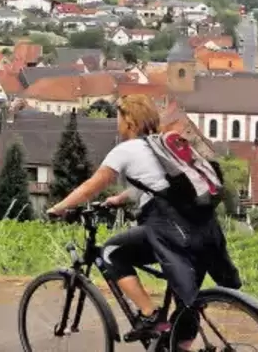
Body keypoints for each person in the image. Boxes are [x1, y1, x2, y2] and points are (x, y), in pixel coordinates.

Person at [46, 95, 241, 345]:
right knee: (186, 308)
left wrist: (59, 208)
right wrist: (121, 198)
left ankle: (150, 315)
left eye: (118, 117)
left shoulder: (125, 150)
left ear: (129, 121)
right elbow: (160, 186)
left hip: (172, 232)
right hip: (204, 231)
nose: (117, 123)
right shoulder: (164, 147)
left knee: (112, 253)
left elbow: (90, 187)